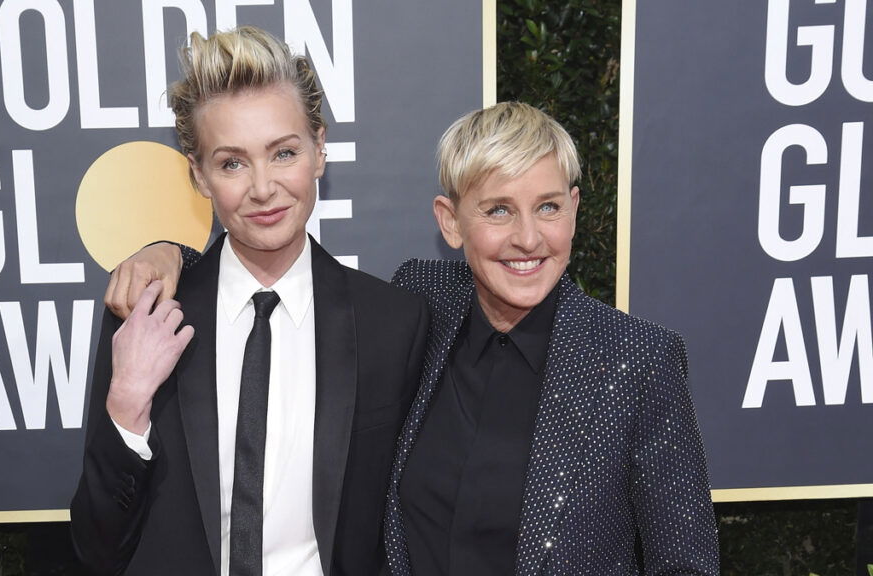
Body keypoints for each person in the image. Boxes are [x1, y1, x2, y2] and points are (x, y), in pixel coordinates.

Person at [106, 102, 719, 574]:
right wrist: (168, 254)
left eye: (549, 207)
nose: (529, 238)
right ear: (450, 223)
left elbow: (685, 562)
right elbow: (252, 263)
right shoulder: (422, 304)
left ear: (575, 210)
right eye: (499, 210)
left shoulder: (636, 361)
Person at [70, 26, 429, 576]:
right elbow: (97, 546)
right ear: (199, 175)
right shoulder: (148, 311)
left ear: (319, 150)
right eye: (232, 163)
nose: (262, 188)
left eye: (283, 153)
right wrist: (126, 408)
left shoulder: (392, 322)